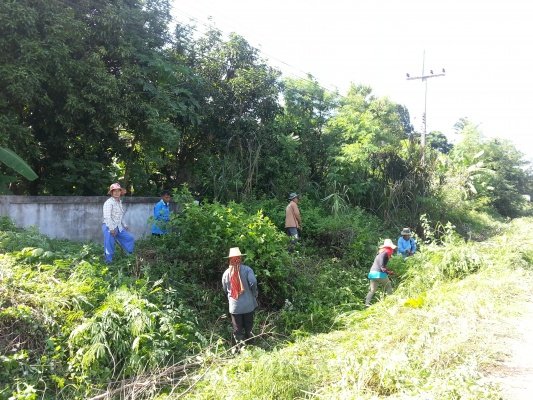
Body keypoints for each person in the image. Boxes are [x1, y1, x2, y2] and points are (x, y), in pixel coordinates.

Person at [221, 247, 259, 347]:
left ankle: (240, 347)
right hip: (248, 304)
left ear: (229, 259)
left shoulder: (226, 273)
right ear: (240, 258)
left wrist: (230, 297)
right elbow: (253, 282)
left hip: (235, 306)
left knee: (237, 329)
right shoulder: (247, 270)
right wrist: (254, 293)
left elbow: (225, 289)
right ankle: (251, 344)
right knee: (248, 326)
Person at [102, 183, 135, 263]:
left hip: (118, 226)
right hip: (109, 227)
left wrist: (125, 224)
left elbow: (121, 215)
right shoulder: (108, 203)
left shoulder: (119, 202)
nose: (117, 193)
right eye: (114, 191)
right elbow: (107, 217)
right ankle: (108, 262)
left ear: (121, 192)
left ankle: (129, 254)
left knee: (129, 238)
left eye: (118, 191)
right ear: (111, 193)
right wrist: (111, 229)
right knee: (110, 245)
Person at [365, 239, 396, 307]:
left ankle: (366, 304)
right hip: (379, 274)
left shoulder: (380, 252)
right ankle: (390, 303)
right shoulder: (385, 253)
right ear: (390, 247)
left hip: (372, 273)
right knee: (388, 287)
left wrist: (388, 271)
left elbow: (380, 265)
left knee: (372, 290)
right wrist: (389, 272)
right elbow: (382, 267)